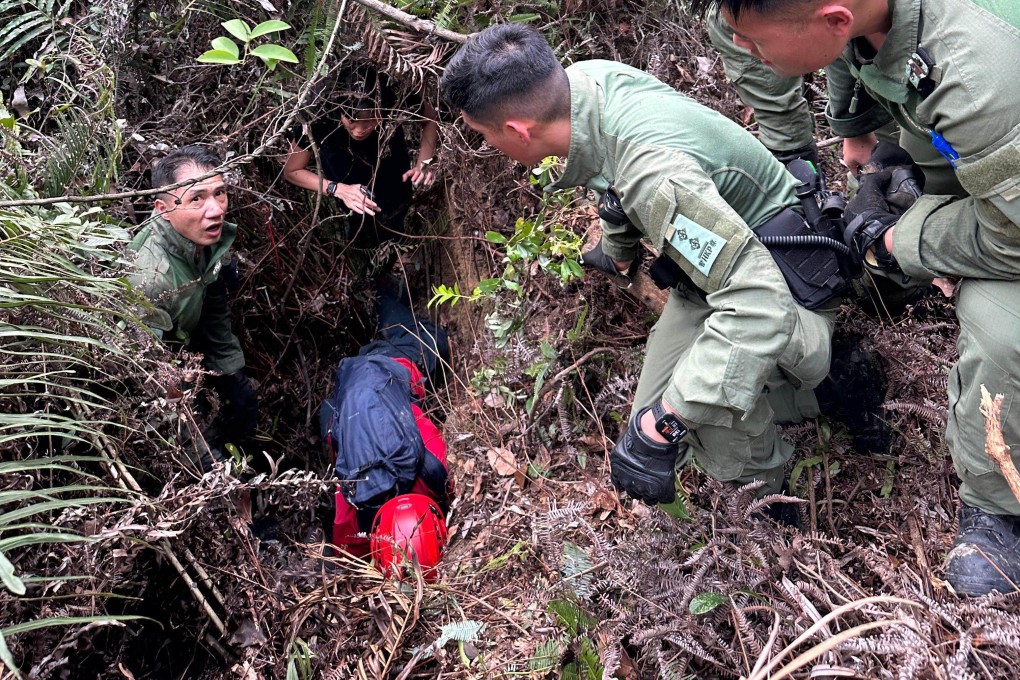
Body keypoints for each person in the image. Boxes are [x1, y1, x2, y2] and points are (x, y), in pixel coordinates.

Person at [441, 24, 888, 525]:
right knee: (651, 410)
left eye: (483, 135)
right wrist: (619, 252)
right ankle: (792, 396)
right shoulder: (584, 85)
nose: (486, 146)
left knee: (696, 416)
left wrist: (668, 421)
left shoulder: (655, 176)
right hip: (723, 270)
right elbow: (610, 186)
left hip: (787, 281)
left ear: (518, 131)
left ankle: (777, 500)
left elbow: (759, 304)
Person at [691, 0, 1020, 596]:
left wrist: (900, 240)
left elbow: (1015, 235)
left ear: (834, 19)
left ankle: (997, 510)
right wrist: (860, 137)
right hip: (993, 154)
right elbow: (863, 57)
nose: (745, 53)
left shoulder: (978, 71)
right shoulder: (870, 18)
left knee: (999, 327)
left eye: (754, 41)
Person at [129, 145, 258, 469]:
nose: (214, 210)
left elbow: (214, 307)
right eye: (196, 198)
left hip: (188, 345)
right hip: (160, 369)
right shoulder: (152, 277)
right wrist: (205, 458)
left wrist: (231, 372)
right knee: (205, 455)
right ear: (162, 208)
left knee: (242, 405)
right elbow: (147, 378)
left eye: (220, 194)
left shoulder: (205, 239)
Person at [320, 293, 451, 559]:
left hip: (375, 379)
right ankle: (378, 294)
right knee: (430, 339)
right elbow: (346, 551)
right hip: (340, 408)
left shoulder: (434, 468)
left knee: (431, 342)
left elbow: (410, 413)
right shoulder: (357, 515)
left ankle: (379, 299)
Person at [283, 64, 439, 249]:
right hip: (352, 202)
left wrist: (423, 163)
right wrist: (338, 189)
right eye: (352, 120)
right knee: (362, 244)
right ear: (340, 110)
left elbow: (430, 118)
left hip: (396, 183)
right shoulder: (318, 116)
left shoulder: (391, 97)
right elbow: (292, 171)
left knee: (398, 227)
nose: (359, 130)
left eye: (372, 120)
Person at [706, 8, 818, 166]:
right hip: (737, 12)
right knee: (782, 118)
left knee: (781, 117)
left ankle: (798, 181)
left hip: (748, 10)